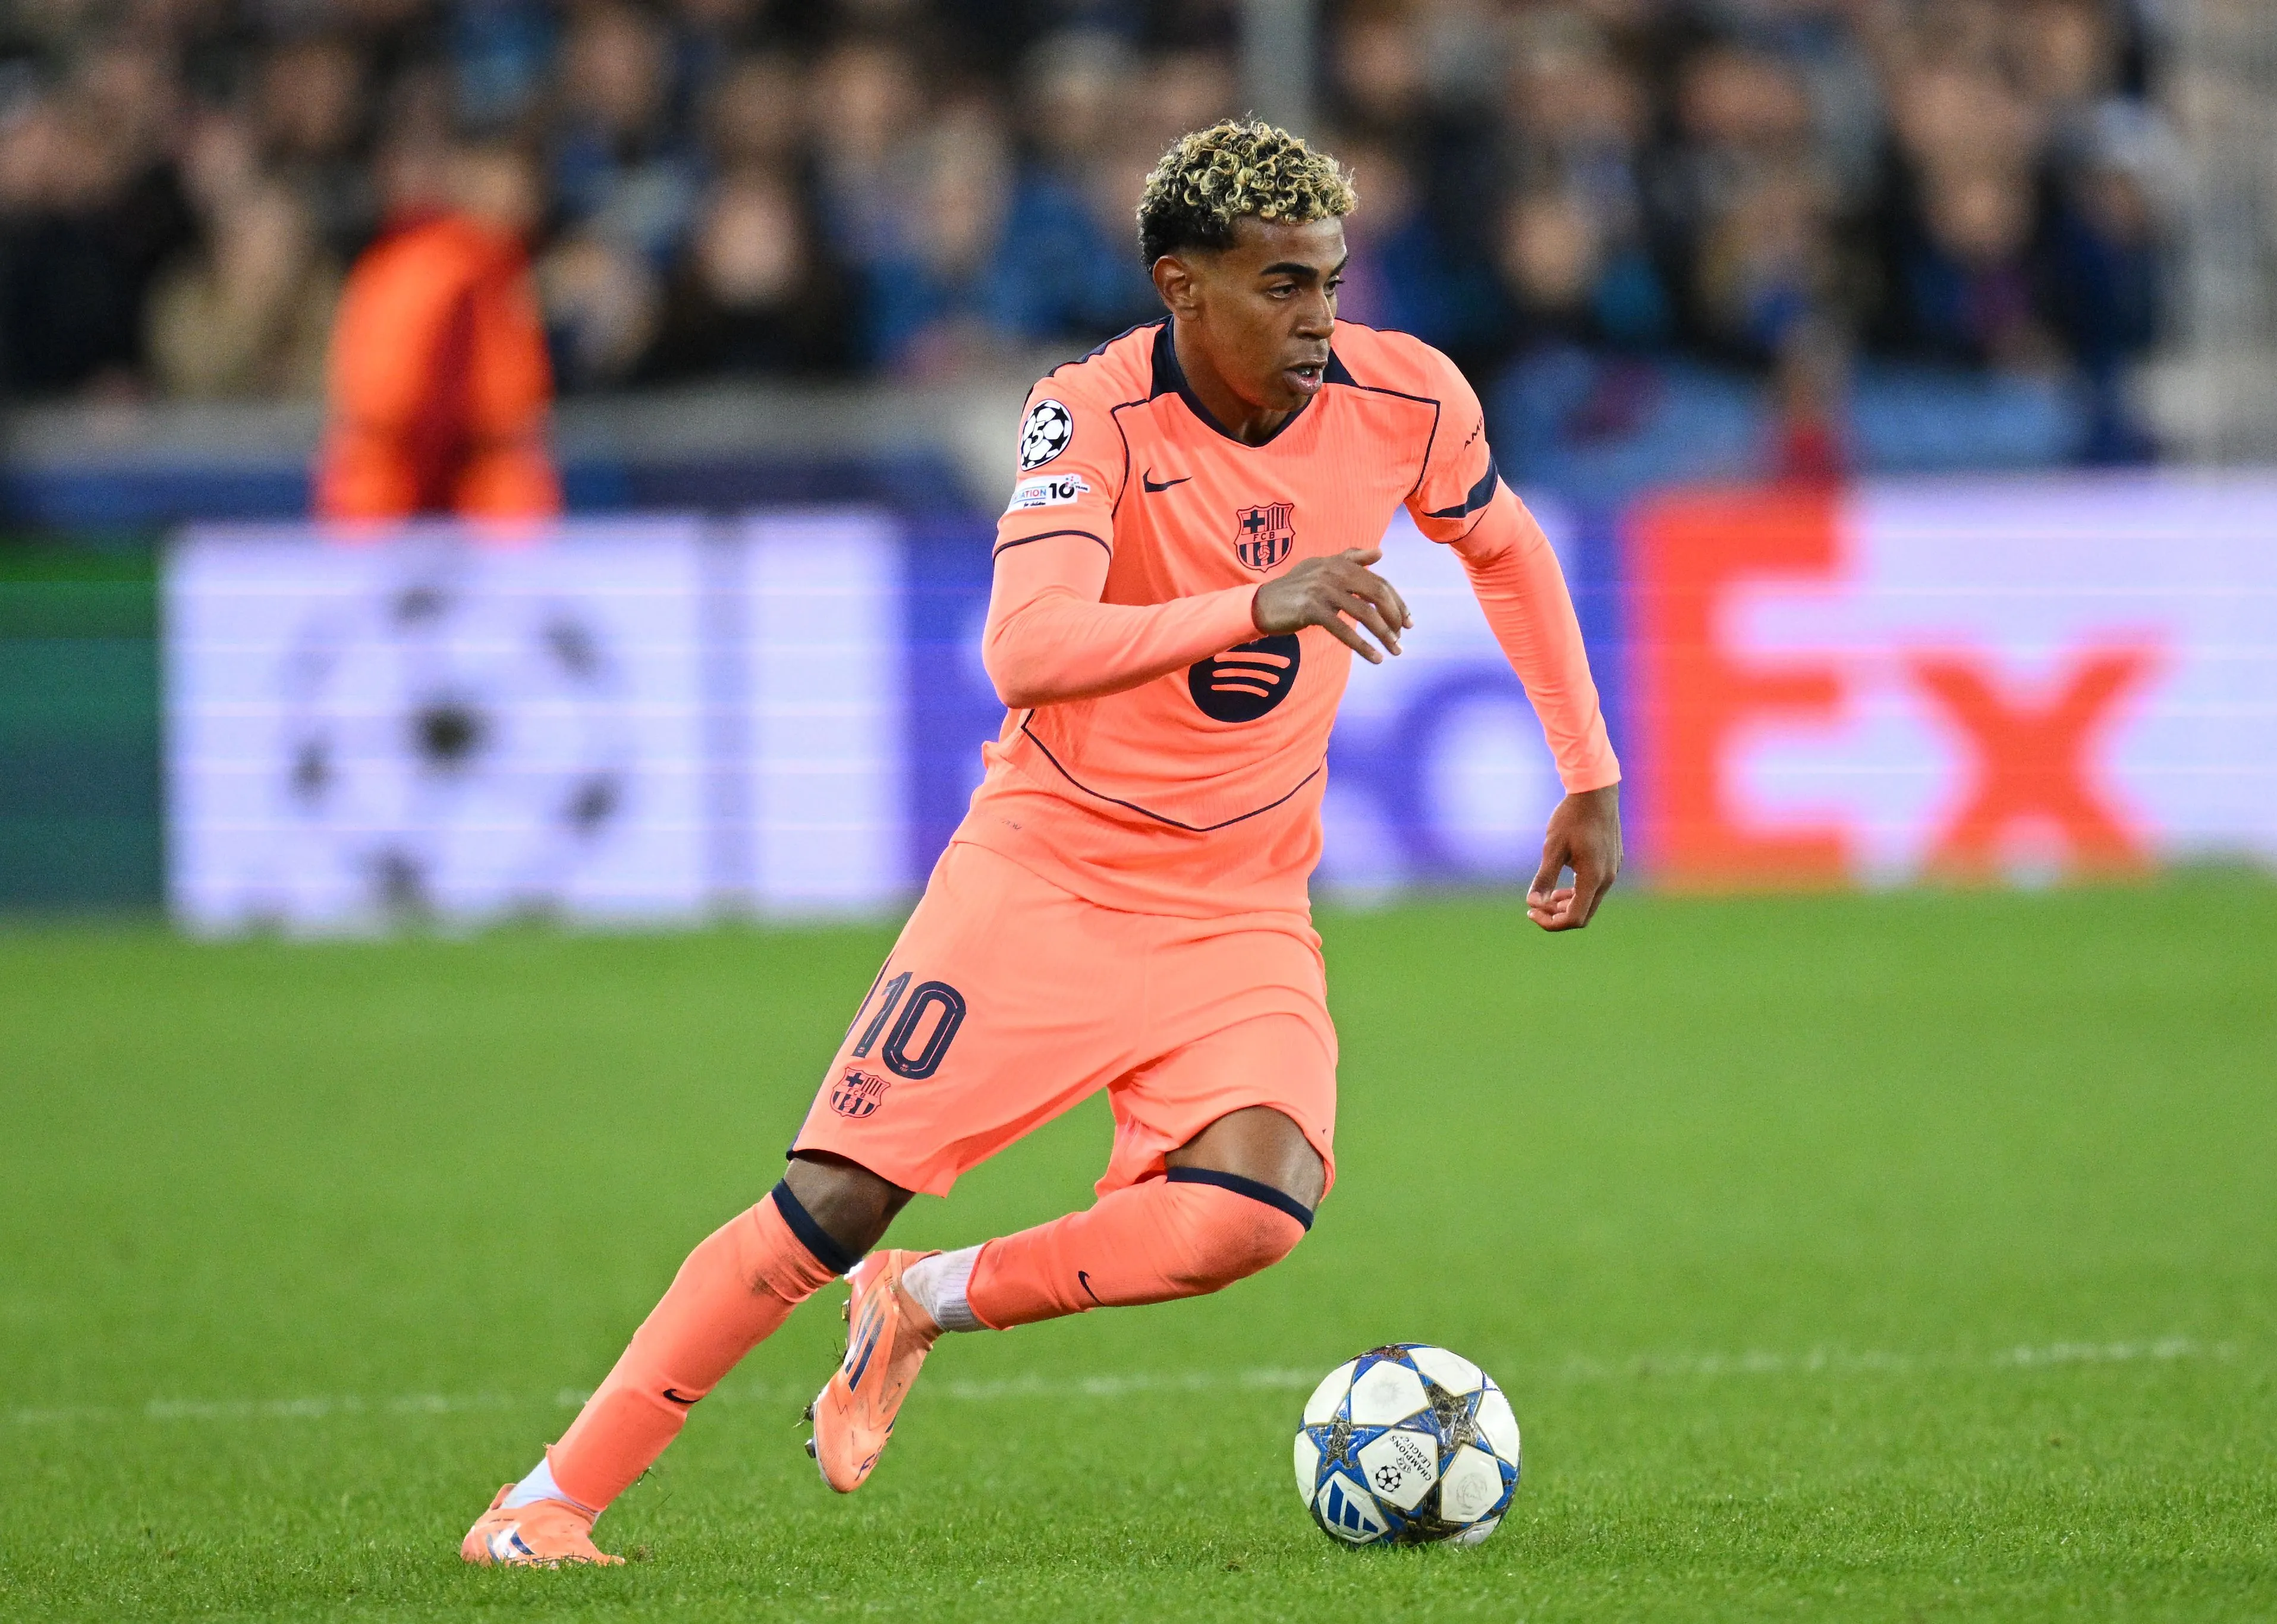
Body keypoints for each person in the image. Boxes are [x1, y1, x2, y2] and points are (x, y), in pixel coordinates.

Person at [460, 118, 1622, 1568]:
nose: (1318, 317)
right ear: (1177, 285)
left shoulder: (1406, 396)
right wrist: (1255, 606)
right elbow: (1027, 645)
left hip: (1237, 901)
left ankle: (923, 1300)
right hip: (1047, 875)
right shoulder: (1088, 414)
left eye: (1326, 279)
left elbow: (1500, 545)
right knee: (822, 1203)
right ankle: (544, 1503)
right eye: (1278, 286)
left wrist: (1584, 768)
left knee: (1248, 1209)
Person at [312, 140, 561, 522]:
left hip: (405, 502)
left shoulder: (491, 265)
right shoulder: (448, 268)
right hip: (421, 505)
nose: (520, 196)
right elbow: (431, 406)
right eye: (505, 178)